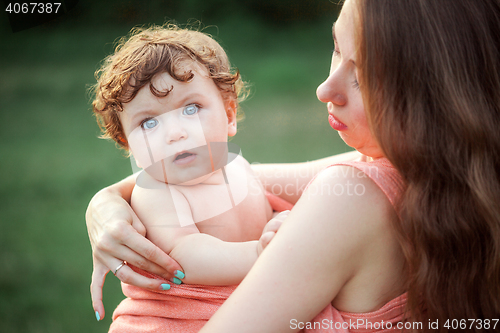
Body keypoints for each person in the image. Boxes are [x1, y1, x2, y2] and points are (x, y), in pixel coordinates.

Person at [87, 0, 500, 332]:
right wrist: (108, 200)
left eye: (366, 75)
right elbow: (205, 186)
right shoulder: (456, 169)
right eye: (337, 47)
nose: (325, 89)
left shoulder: (352, 200)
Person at [90, 25, 294, 331]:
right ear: (127, 144)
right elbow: (187, 257)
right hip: (177, 320)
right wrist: (262, 253)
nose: (175, 133)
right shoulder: (155, 190)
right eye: (148, 123)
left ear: (228, 115)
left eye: (191, 108)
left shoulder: (237, 165)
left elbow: (266, 214)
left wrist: (282, 222)